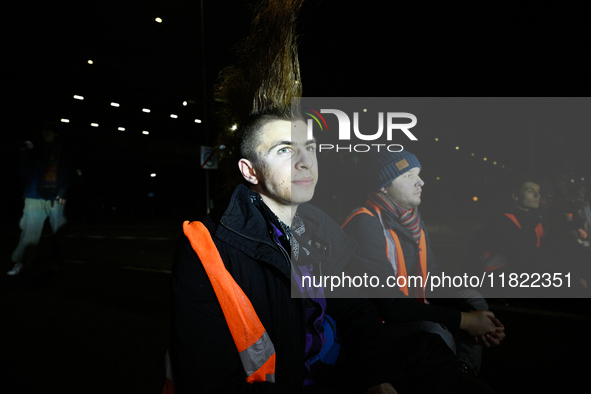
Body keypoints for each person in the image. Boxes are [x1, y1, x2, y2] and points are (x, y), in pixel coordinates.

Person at [164, 2, 457, 393]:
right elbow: (208, 375)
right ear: (249, 171)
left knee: (434, 352)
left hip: (339, 374)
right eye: (285, 150)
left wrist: (380, 380)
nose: (305, 162)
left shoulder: (321, 231)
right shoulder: (208, 251)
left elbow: (357, 315)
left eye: (310, 147)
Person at [341, 150, 505, 384]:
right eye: (408, 175)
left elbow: (432, 278)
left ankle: (463, 372)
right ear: (384, 186)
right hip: (380, 322)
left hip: (409, 305)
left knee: (473, 298)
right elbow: (388, 304)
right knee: (435, 332)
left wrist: (474, 314)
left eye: (418, 174)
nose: (421, 181)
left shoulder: (414, 220)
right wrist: (465, 320)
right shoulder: (364, 222)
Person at [7, 125, 72, 276]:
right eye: (43, 131)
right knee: (29, 232)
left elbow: (70, 171)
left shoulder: (63, 150)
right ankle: (21, 262)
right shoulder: (35, 150)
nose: (45, 134)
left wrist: (63, 191)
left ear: (56, 133)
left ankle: (56, 262)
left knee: (58, 232)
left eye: (48, 131)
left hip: (55, 196)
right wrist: (24, 153)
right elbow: (22, 172)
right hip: (33, 195)